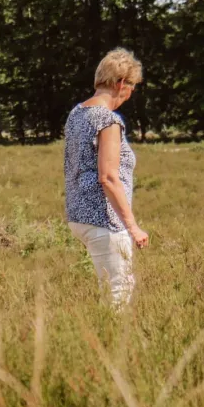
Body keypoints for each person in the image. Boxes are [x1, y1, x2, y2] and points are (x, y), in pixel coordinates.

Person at [64, 48, 148, 307]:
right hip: (104, 220)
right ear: (121, 83)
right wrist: (132, 226)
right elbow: (109, 177)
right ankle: (108, 345)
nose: (131, 92)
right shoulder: (108, 120)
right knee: (118, 293)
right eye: (132, 86)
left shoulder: (77, 113)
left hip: (78, 215)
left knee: (109, 290)